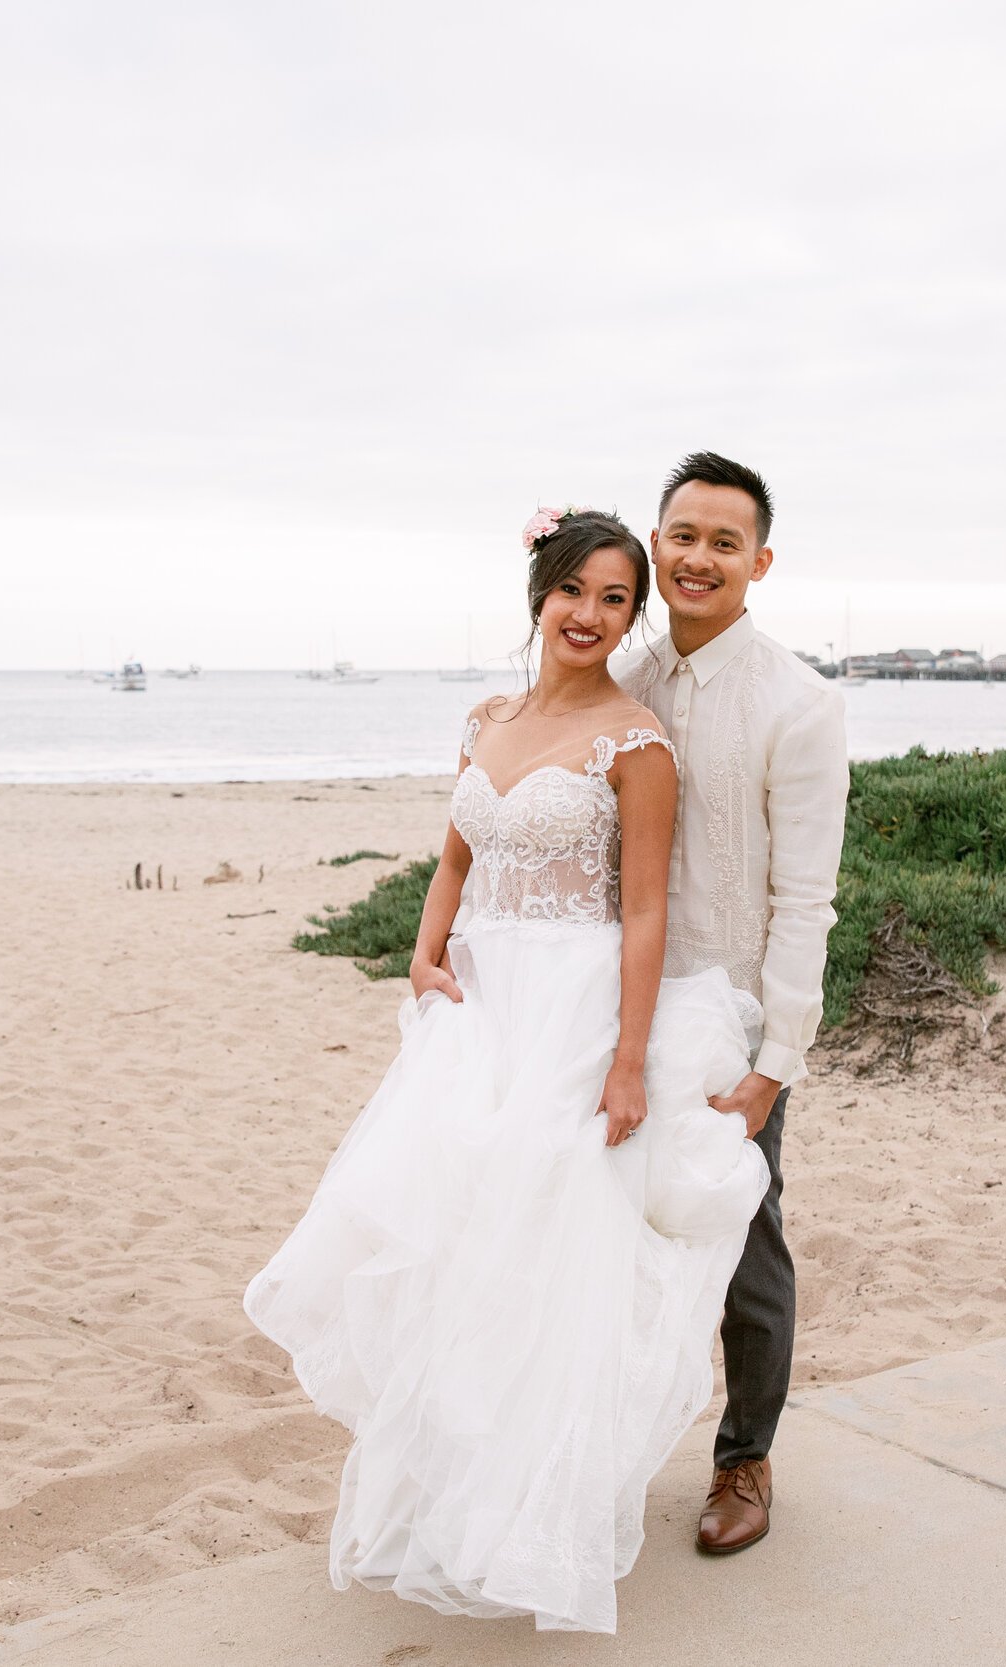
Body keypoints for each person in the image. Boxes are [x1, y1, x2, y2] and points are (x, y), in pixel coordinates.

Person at [244, 507, 773, 1634]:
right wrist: (425, 943)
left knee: (547, 1261)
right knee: (453, 1252)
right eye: (573, 589)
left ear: (632, 616)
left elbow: (641, 911)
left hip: (573, 1017)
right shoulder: (486, 718)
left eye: (615, 599)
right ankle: (454, 1500)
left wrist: (628, 1061)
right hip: (477, 1018)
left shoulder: (636, 743)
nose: (589, 613)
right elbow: (456, 851)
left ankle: (543, 1519)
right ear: (538, 594)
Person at [619, 452, 851, 1556]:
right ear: (653, 544)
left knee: (745, 1238)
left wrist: (778, 1059)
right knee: (601, 1227)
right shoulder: (627, 682)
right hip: (615, 1008)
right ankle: (600, 1451)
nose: (697, 556)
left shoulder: (797, 703)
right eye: (681, 534)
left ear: (759, 562)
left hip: (732, 1020)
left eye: (723, 540)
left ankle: (744, 1457)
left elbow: (807, 897)